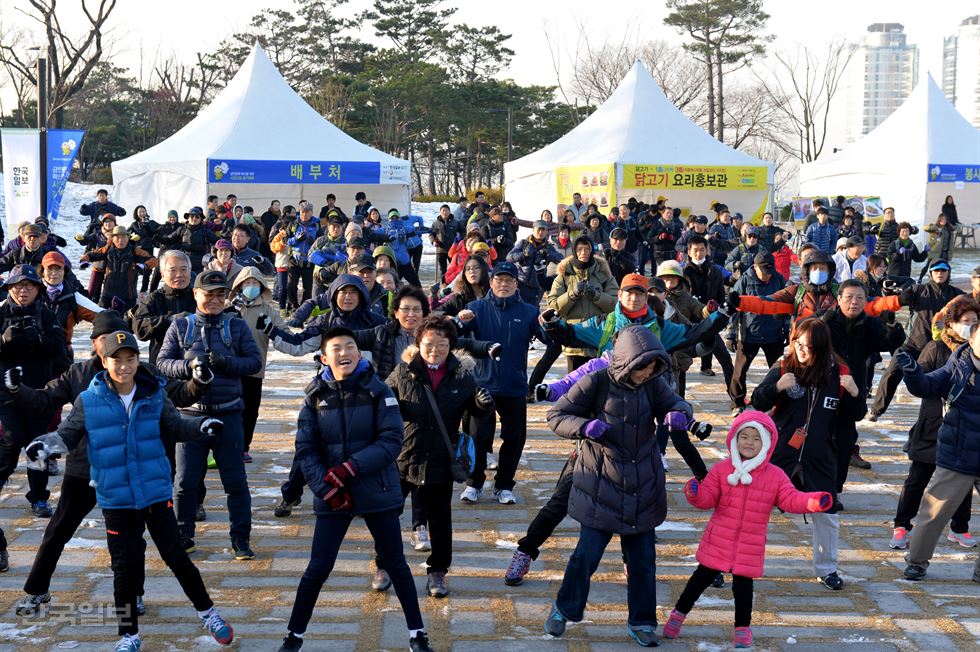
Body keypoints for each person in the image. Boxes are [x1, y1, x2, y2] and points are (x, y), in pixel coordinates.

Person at [26, 330, 233, 652]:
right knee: (123, 567)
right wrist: (44, 445)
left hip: (154, 491)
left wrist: (201, 426)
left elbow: (176, 425)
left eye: (131, 359)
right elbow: (66, 435)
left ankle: (209, 614)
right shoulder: (89, 400)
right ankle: (129, 635)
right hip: (116, 498)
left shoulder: (154, 392)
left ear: (138, 360)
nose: (124, 366)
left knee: (176, 557)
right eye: (117, 360)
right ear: (104, 362)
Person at [8, 311, 206, 617]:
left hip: (129, 473)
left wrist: (196, 384)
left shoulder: (142, 372)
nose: (111, 345)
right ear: (95, 345)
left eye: (117, 338)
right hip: (82, 468)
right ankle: (36, 590)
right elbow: (44, 401)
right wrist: (16, 390)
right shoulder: (78, 373)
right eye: (102, 339)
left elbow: (177, 396)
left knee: (131, 540)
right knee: (58, 531)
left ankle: (134, 595)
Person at [277, 327, 434, 652]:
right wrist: (325, 487)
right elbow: (305, 449)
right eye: (336, 348)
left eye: (350, 346)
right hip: (334, 494)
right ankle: (293, 636)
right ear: (324, 357)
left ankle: (417, 634)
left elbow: (391, 441)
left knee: (396, 564)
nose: (345, 352)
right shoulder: (315, 396)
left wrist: (351, 467)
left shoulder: (379, 391)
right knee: (317, 568)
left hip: (375, 487)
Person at [543, 325, 690, 647]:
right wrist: (584, 426)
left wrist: (679, 414)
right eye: (641, 367)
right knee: (586, 556)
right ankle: (563, 609)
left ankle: (641, 621)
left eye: (652, 368)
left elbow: (678, 403)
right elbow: (556, 415)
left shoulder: (652, 384)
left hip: (642, 484)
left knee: (642, 562)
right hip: (601, 485)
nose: (646, 373)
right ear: (626, 362)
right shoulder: (596, 382)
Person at [662, 410, 832, 649]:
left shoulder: (775, 476)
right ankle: (677, 615)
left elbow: (790, 499)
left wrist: (813, 501)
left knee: (743, 591)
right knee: (697, 583)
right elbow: (707, 498)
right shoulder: (722, 469)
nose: (749, 443)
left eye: (756, 438)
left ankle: (742, 629)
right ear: (734, 439)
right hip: (718, 540)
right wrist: (695, 493)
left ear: (766, 444)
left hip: (749, 544)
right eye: (744, 436)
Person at [751, 318, 866, 590]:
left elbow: (855, 415)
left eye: (809, 347)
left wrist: (853, 394)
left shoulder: (838, 373)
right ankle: (732, 561)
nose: (801, 351)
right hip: (782, 452)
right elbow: (757, 401)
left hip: (820, 455)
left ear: (823, 347)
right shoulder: (784, 366)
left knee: (827, 512)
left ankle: (827, 569)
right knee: (754, 507)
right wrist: (776, 387)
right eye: (798, 344)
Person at [384, 316, 495, 597]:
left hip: (441, 458)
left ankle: (437, 571)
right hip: (405, 455)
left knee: (440, 519)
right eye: (429, 343)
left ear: (451, 346)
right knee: (386, 513)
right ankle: (383, 564)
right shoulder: (402, 372)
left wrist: (484, 405)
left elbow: (476, 412)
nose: (435, 349)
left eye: (442, 344)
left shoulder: (462, 376)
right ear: (418, 343)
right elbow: (383, 405)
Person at [156, 270, 262, 559]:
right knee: (184, 483)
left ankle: (240, 538)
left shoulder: (236, 326)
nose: (215, 299)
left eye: (220, 294)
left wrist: (228, 362)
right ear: (196, 294)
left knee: (236, 482)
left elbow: (254, 362)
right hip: (189, 417)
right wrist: (189, 366)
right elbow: (162, 363)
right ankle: (183, 535)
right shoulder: (180, 326)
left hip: (229, 415)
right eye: (209, 293)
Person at [888, 295, 978, 551]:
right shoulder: (936, 348)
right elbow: (923, 384)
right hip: (933, 424)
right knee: (918, 478)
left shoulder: (977, 352)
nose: (970, 325)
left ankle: (959, 527)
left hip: (966, 431)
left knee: (963, 482)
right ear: (951, 324)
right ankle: (902, 525)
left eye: (975, 321)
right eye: (965, 321)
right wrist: (913, 373)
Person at [454, 262, 546, 505]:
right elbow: (456, 335)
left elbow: (546, 336)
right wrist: (459, 319)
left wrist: (550, 323)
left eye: (509, 280)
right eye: (499, 280)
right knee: (478, 437)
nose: (503, 284)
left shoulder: (528, 311)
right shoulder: (476, 307)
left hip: (514, 385)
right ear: (491, 282)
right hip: (482, 385)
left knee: (514, 439)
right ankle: (474, 483)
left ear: (516, 284)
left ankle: (504, 485)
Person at [897, 329, 980, 584]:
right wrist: (913, 374)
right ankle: (916, 562)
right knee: (934, 511)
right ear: (973, 339)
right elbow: (928, 385)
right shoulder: (959, 363)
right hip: (958, 453)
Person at [0, 265, 67, 539]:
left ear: (38, 289)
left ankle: (39, 496)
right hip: (6, 394)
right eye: (18, 285)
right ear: (10, 288)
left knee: (38, 447)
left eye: (29, 285)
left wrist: (38, 339)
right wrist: (3, 340)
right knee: (10, 439)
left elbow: (58, 348)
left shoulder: (46, 314)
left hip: (40, 393)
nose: (23, 290)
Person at [869, 259, 963, 420]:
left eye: (943, 271)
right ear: (931, 273)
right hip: (914, 344)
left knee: (940, 384)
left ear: (948, 273)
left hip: (942, 348)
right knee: (892, 372)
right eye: (936, 271)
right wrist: (894, 298)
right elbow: (897, 299)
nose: (939, 273)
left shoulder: (957, 295)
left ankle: (948, 416)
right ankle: (876, 411)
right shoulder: (918, 290)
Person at [227, 267, 290, 462]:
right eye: (247, 283)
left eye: (255, 284)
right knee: (229, 409)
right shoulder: (230, 307)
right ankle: (227, 446)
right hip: (230, 367)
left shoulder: (268, 309)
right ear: (239, 286)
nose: (251, 287)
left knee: (251, 409)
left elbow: (285, 332)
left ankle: (244, 446)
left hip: (255, 367)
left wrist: (271, 329)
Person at [546, 236, 618, 371]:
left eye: (587, 249)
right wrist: (572, 294)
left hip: (599, 340)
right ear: (574, 251)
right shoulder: (564, 275)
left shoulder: (604, 274)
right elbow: (553, 306)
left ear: (592, 251)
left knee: (597, 388)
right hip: (574, 341)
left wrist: (597, 295)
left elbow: (616, 304)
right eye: (579, 249)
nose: (583, 252)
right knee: (574, 388)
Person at [729, 252, 787, 415]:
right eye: (764, 272)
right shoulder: (745, 280)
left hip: (774, 334)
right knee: (740, 371)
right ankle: (737, 402)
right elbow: (733, 306)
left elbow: (787, 305)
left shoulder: (779, 279)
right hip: (750, 333)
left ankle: (778, 403)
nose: (767, 277)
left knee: (778, 371)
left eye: (770, 272)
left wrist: (787, 330)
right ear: (755, 267)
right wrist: (730, 334)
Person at [132, 250, 196, 365]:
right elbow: (139, 327)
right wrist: (169, 320)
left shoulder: (198, 296)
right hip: (161, 363)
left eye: (183, 269)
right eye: (172, 270)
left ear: (190, 271)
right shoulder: (154, 298)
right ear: (162, 274)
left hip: (193, 363)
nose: (179, 274)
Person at [79, 225, 157, 312]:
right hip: (108, 294)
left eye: (123, 237)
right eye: (117, 237)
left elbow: (154, 260)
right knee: (102, 320)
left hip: (128, 296)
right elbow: (90, 255)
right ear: (112, 238)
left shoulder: (134, 251)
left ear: (128, 238)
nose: (120, 240)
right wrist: (84, 261)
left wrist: (144, 265)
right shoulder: (107, 250)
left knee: (127, 323)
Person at [507, 221, 564, 305]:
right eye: (538, 229)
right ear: (533, 230)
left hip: (538, 285)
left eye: (543, 230)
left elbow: (561, 260)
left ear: (546, 231)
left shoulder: (548, 246)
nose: (540, 232)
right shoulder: (524, 243)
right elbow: (509, 257)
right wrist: (523, 255)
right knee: (518, 308)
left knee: (533, 311)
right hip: (521, 283)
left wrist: (548, 255)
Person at [286, 202, 322, 311]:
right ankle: (294, 306)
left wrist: (313, 242)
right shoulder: (293, 224)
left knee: (308, 288)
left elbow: (321, 242)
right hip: (294, 260)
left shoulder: (317, 225)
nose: (304, 215)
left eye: (307, 212)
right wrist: (296, 239)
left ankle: (303, 307)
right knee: (291, 286)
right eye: (302, 212)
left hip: (309, 261)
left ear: (311, 212)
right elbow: (285, 240)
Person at [128, 205, 160, 294]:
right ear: (137, 214)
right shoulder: (134, 225)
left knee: (147, 270)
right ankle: (133, 289)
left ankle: (143, 290)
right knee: (136, 269)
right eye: (140, 212)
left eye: (143, 211)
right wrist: (133, 239)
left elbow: (161, 229)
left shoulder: (152, 223)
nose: (142, 213)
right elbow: (127, 235)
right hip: (138, 250)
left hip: (149, 249)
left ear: (146, 212)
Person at [429, 204, 464, 283]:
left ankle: (454, 283)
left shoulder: (455, 222)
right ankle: (443, 284)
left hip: (453, 249)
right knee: (443, 269)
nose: (445, 212)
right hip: (441, 249)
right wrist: (433, 241)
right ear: (440, 212)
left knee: (454, 268)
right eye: (443, 211)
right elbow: (431, 234)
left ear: (449, 211)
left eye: (446, 210)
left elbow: (463, 230)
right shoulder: (435, 223)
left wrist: (460, 239)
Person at [922, 213, 956, 280]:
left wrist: (950, 253)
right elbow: (925, 228)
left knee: (946, 267)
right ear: (939, 220)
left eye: (945, 219)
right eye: (942, 219)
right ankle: (920, 279)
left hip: (945, 252)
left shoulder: (949, 229)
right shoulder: (935, 228)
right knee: (928, 266)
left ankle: (947, 280)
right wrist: (935, 227)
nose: (943, 221)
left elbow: (958, 229)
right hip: (934, 252)